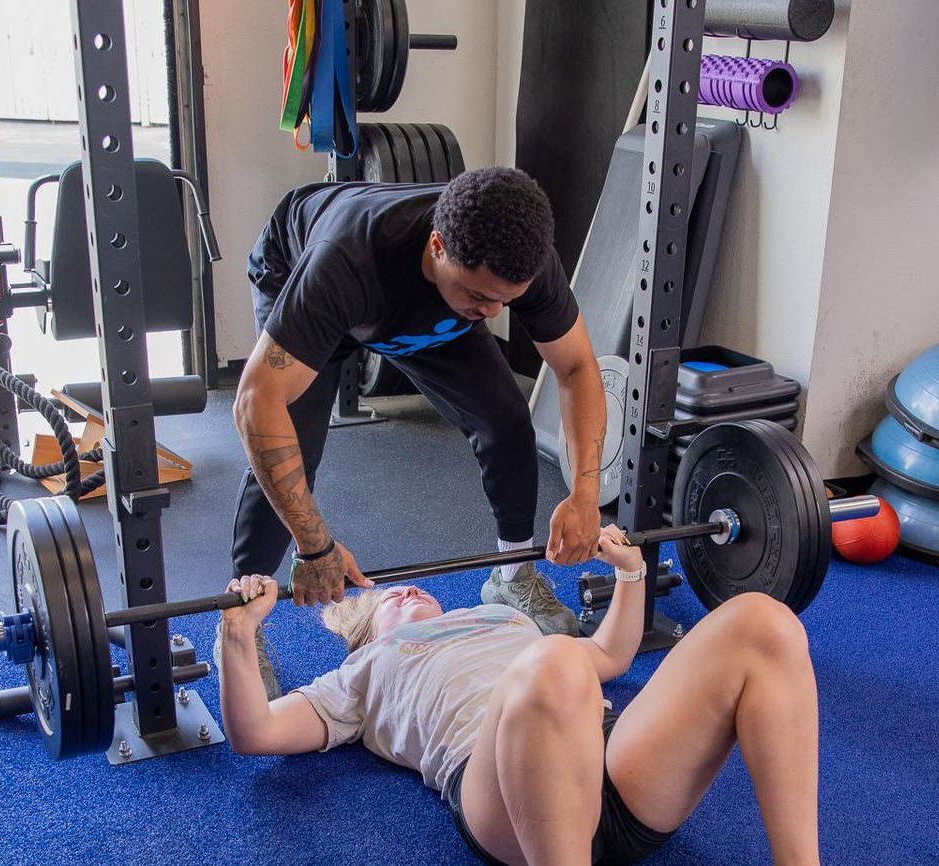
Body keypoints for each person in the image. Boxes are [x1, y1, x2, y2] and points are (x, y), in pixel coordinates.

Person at [216, 526, 822, 866]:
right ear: (364, 634)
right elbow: (257, 734)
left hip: (609, 764)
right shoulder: (364, 672)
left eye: (408, 590)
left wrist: (630, 574)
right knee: (554, 661)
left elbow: (610, 656)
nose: (403, 594)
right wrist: (238, 636)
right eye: (385, 601)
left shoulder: (499, 617)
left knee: (763, 623)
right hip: (505, 799)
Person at [231, 167, 607, 679]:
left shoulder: (522, 262)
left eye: (506, 300)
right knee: (290, 442)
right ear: (438, 246)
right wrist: (314, 544)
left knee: (505, 419)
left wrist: (586, 493)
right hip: (300, 270)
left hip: (413, 303)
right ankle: (241, 623)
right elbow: (256, 401)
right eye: (481, 296)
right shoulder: (347, 260)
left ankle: (513, 573)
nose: (495, 312)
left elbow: (578, 367)